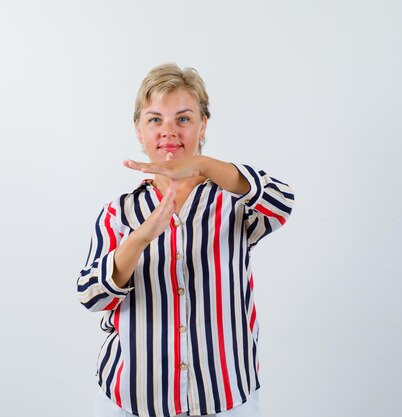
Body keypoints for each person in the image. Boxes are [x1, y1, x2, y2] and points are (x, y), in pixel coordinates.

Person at [77, 63, 294, 417]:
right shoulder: (118, 214)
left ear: (202, 125)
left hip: (225, 399)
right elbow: (91, 296)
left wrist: (204, 166)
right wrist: (141, 236)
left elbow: (281, 202)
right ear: (138, 130)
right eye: (155, 120)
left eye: (183, 119)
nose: (169, 132)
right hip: (132, 401)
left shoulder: (233, 203)